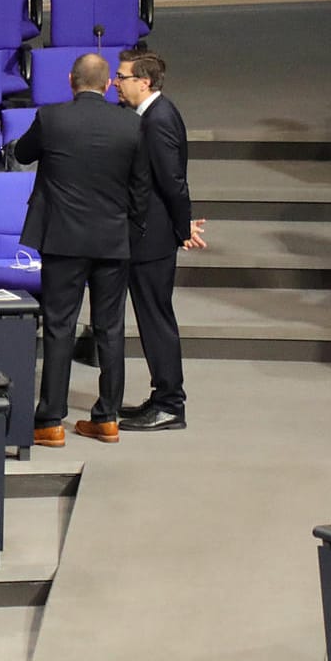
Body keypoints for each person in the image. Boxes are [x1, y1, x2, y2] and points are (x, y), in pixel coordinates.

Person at [12, 52, 149, 446]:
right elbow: (141, 188)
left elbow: (22, 154)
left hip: (63, 240)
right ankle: (107, 418)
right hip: (111, 240)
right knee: (110, 328)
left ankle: (50, 422)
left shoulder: (52, 117)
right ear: (108, 85)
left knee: (59, 327)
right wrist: (130, 229)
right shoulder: (130, 124)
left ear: (71, 80)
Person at [114, 50, 205, 432]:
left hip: (151, 240)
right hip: (148, 234)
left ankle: (170, 404)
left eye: (122, 77)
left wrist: (182, 227)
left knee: (156, 320)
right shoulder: (148, 115)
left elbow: (173, 182)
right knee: (152, 318)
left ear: (144, 82)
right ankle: (161, 396)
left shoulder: (158, 120)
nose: (115, 83)